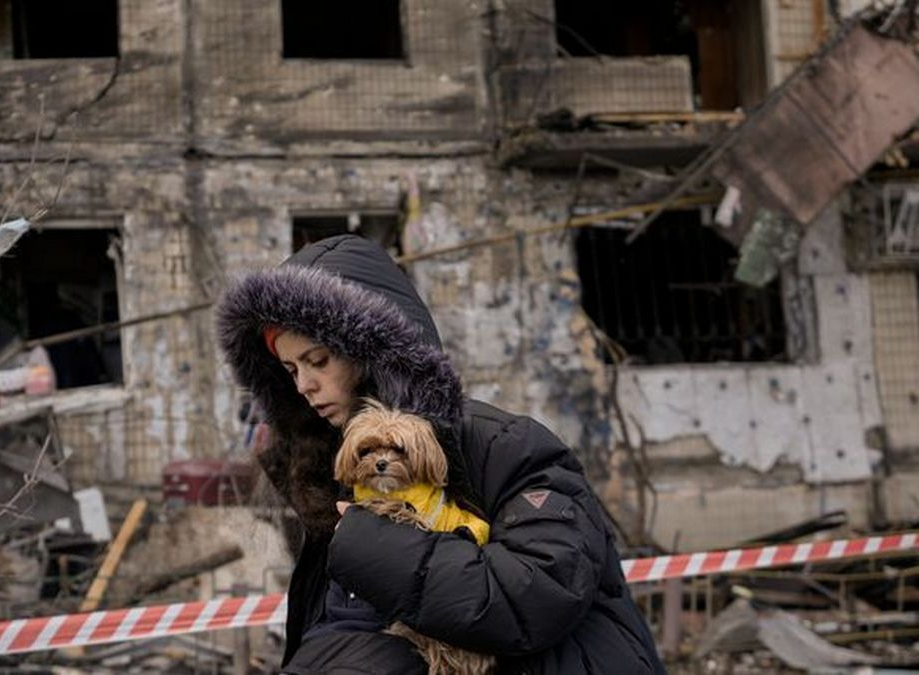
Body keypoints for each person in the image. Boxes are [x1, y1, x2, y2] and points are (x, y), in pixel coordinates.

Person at [216, 235, 665, 674]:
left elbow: (541, 591)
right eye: (291, 369)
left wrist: (368, 542)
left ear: (371, 352)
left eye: (318, 361)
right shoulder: (337, 470)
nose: (303, 385)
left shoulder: (504, 444)